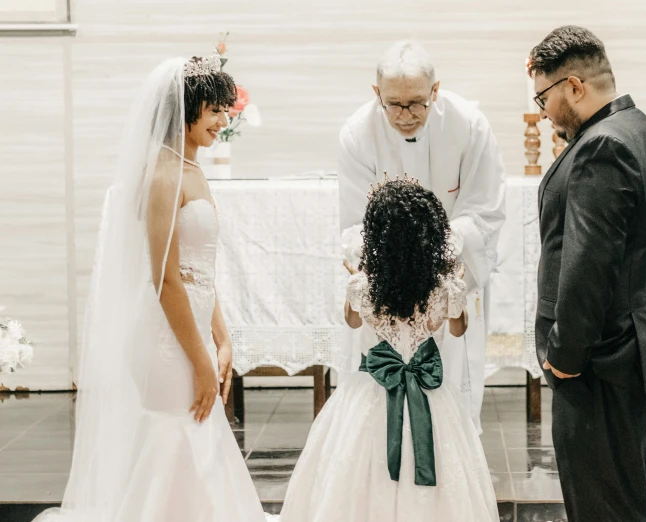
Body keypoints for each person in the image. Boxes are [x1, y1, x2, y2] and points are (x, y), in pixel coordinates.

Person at [35, 55, 266, 522]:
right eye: (214, 110)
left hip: (192, 332)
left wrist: (221, 337)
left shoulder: (193, 168)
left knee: (199, 438)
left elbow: (200, 269)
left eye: (224, 110)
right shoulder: (162, 176)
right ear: (186, 110)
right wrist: (201, 361)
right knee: (174, 437)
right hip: (165, 338)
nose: (223, 120)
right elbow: (165, 280)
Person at [529, 26, 646, 522]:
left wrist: (565, 357)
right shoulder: (645, 131)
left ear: (574, 87)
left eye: (543, 96)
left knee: (604, 512)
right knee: (620, 504)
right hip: (641, 353)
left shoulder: (602, 148)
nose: (542, 111)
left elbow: (587, 267)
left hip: (603, 365)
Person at [277, 178, 499, 522]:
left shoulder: (363, 286)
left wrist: (358, 281)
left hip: (369, 393)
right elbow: (458, 328)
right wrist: (455, 288)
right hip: (430, 396)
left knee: (355, 474)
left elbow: (352, 323)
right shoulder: (443, 287)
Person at [338, 40, 506, 431]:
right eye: (393, 104)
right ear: (376, 93)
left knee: (451, 402)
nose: (405, 115)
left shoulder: (469, 125)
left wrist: (429, 258)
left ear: (436, 90)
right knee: (380, 411)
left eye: (417, 102)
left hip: (448, 277)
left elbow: (484, 211)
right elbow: (353, 223)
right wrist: (395, 260)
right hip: (386, 285)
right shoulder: (356, 133)